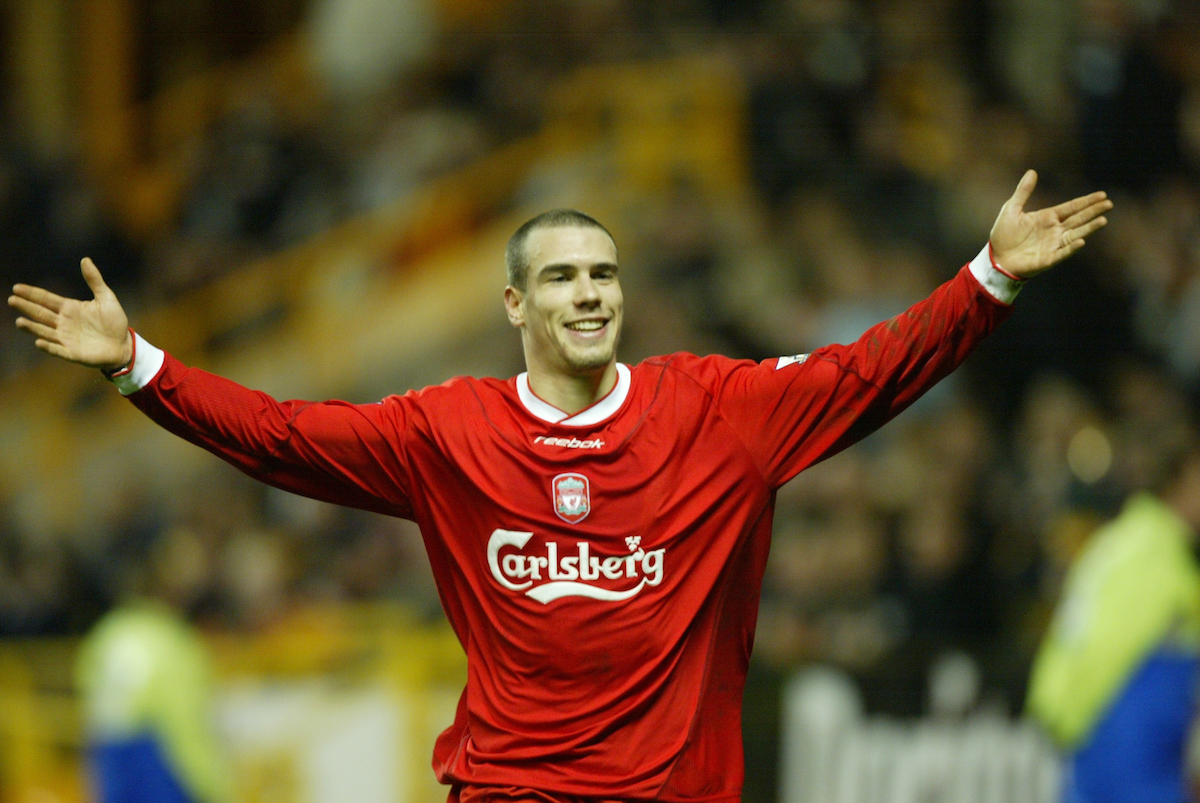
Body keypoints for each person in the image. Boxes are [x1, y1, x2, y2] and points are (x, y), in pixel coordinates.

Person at [10, 170, 1109, 802]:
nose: (589, 295)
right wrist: (137, 365)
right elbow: (283, 436)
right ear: (514, 306)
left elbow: (874, 369)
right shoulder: (447, 429)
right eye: (561, 277)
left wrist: (990, 275)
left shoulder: (718, 408)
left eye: (604, 273)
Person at [1028, 439, 1200, 803]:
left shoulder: (1123, 541)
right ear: (1179, 482)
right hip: (1126, 746)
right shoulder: (1153, 555)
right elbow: (1103, 648)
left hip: (1103, 742)